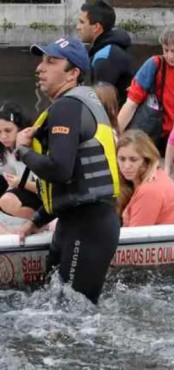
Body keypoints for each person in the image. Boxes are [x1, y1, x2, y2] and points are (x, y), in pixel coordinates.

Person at [14, 37, 120, 304]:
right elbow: (74, 182)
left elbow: (59, 171)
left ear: (73, 73)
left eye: (51, 61)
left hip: (87, 227)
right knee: (54, 306)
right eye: (42, 60)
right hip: (77, 223)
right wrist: (37, 219)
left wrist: (23, 152)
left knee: (70, 317)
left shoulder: (67, 107)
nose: (40, 68)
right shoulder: (81, 103)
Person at [117, 130, 174, 227]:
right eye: (122, 159)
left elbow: (136, 237)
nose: (126, 166)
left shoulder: (148, 190)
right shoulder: (153, 175)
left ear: (146, 159)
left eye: (133, 160)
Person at [77, 0, 134, 106]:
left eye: (82, 22)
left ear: (96, 27)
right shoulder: (108, 49)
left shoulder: (105, 58)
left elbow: (101, 104)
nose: (77, 27)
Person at [0, 102, 41, 222]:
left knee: (7, 200)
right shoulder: (4, 150)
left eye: (8, 130)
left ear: (20, 128)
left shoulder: (34, 147)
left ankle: (40, 222)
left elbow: (46, 188)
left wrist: (20, 183)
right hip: (19, 189)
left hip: (40, 195)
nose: (3, 137)